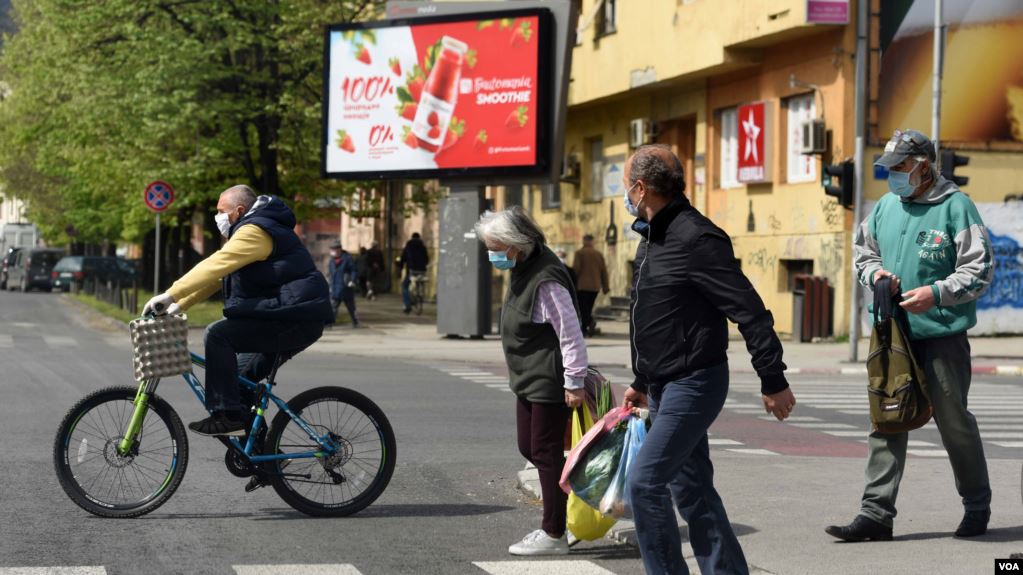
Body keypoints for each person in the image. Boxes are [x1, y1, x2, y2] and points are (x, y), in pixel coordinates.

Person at [620, 145, 795, 575]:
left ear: (641, 188)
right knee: (692, 488)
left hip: (694, 382)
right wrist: (642, 380)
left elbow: (749, 310)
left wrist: (772, 379)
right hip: (662, 383)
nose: (625, 194)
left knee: (644, 484)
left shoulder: (696, 238)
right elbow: (656, 316)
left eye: (626, 186)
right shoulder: (651, 235)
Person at [826, 129, 995, 542]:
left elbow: (981, 270)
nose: (893, 176)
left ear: (924, 166)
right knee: (886, 419)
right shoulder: (885, 207)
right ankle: (875, 515)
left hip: (941, 335)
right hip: (892, 333)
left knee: (954, 421)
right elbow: (863, 254)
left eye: (901, 167)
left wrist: (937, 294)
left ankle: (977, 506)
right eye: (889, 168)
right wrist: (875, 274)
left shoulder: (957, 207)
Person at [143, 186, 333, 437]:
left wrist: (170, 294)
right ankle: (263, 458)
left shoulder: (256, 231)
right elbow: (219, 277)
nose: (217, 217)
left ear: (239, 211)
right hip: (288, 316)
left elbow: (215, 266)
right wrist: (178, 306)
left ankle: (227, 416)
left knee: (217, 334)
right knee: (237, 383)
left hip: (295, 319)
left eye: (221, 211)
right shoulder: (253, 230)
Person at [475, 206, 588, 556]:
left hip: (548, 379)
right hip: (528, 377)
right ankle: (571, 511)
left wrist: (574, 380)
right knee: (531, 448)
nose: (491, 254)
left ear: (515, 245)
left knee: (544, 451)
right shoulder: (524, 267)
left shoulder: (546, 278)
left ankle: (554, 533)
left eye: (495, 247)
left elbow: (570, 333)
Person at [572, 234, 609, 336]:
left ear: (584, 241)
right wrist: (605, 286)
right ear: (593, 242)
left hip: (582, 286)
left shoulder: (579, 253)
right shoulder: (598, 254)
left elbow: (576, 270)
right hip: (595, 287)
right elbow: (604, 272)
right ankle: (585, 327)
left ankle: (588, 324)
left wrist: (571, 284)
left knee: (582, 308)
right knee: (588, 307)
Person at [328, 240, 359, 328]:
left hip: (346, 287)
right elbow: (331, 274)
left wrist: (352, 280)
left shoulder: (347, 258)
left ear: (339, 249)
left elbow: (353, 270)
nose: (332, 251)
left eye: (334, 249)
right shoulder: (332, 260)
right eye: (332, 249)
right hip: (335, 288)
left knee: (351, 307)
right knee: (333, 307)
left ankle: (355, 321)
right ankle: (330, 323)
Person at [398, 232, 429, 314]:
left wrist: (400, 269)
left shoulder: (408, 246)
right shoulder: (423, 247)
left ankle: (407, 304)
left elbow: (403, 259)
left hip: (411, 270)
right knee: (421, 281)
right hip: (422, 270)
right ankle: (420, 295)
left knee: (405, 286)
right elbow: (427, 259)